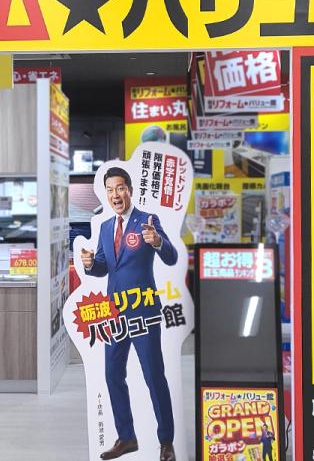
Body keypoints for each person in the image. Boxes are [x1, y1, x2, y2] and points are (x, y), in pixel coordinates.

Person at [80, 167, 178, 461]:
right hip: (114, 313)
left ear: (130, 190)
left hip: (143, 312)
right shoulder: (105, 227)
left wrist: (157, 241)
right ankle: (126, 437)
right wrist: (90, 264)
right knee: (112, 374)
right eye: (110, 190)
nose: (115, 195)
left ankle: (166, 442)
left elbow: (171, 257)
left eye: (120, 188)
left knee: (153, 375)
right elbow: (103, 267)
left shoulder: (148, 220)